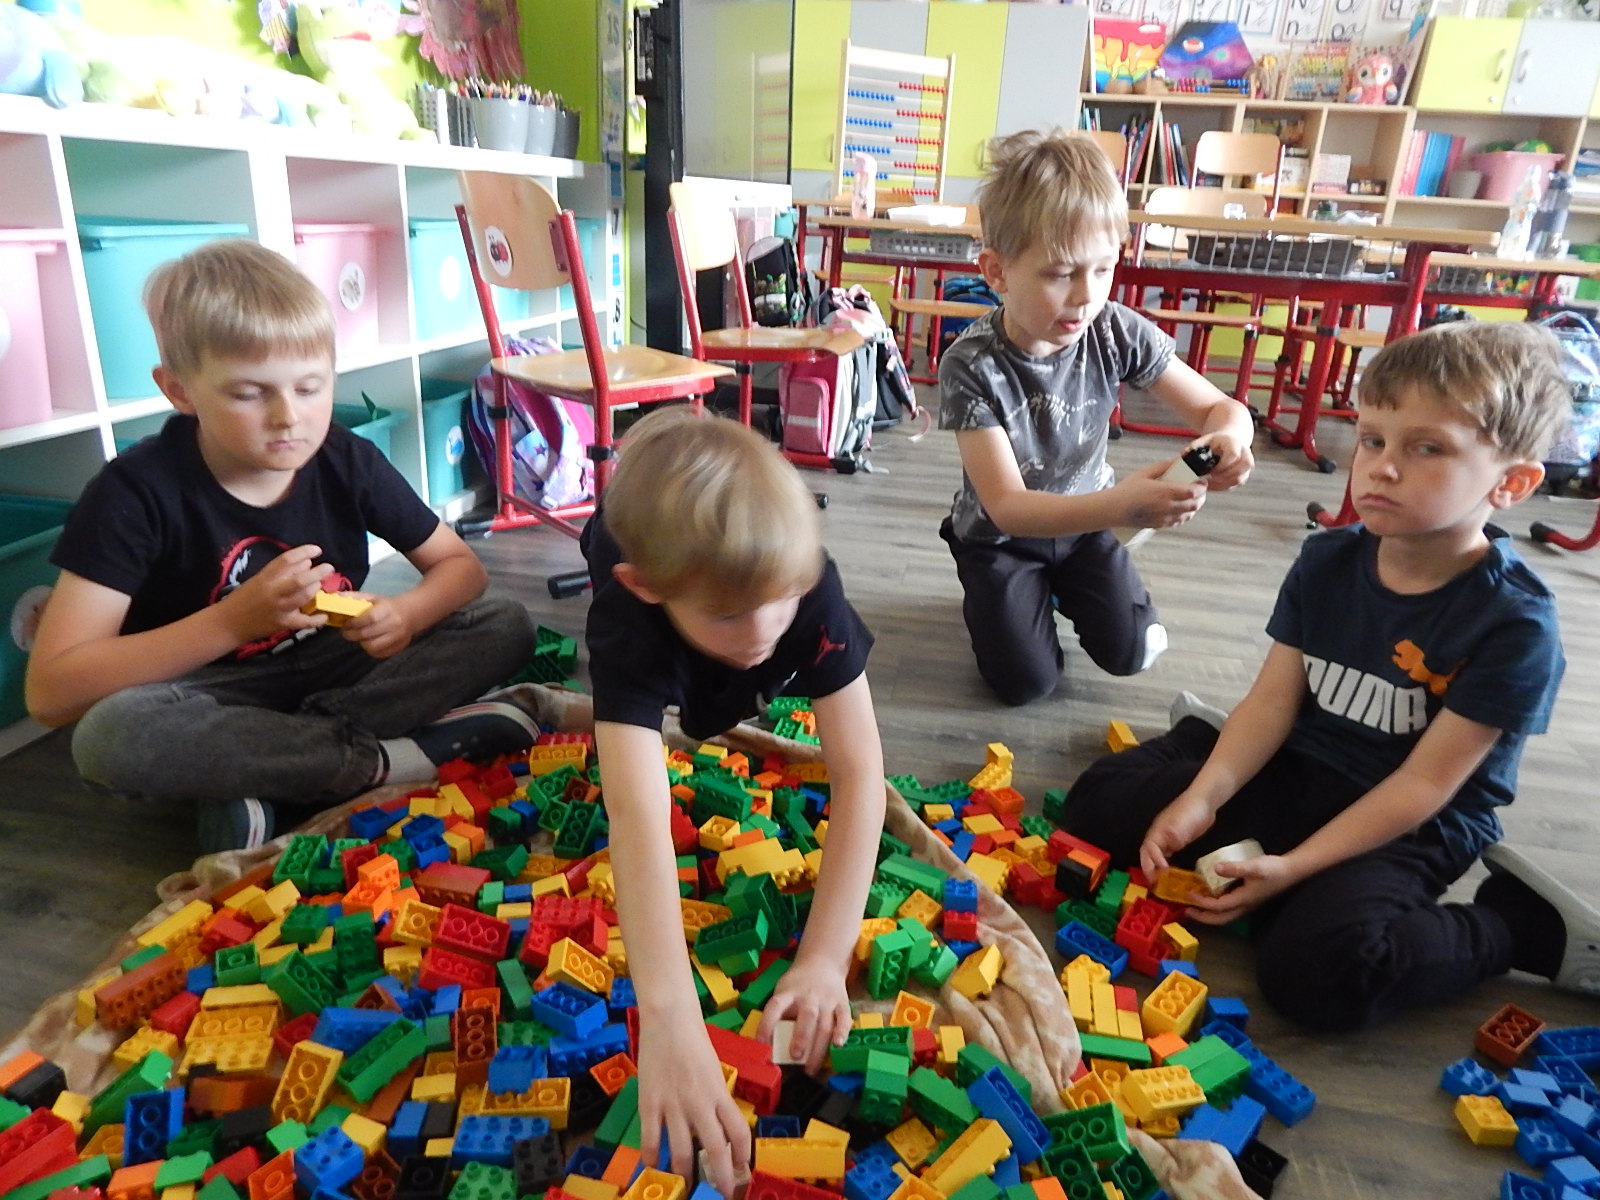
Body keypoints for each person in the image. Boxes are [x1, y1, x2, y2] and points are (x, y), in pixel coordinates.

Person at [1060, 320, 1591, 1031]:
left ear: (1512, 483)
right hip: (1303, 762)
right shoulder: (1328, 561)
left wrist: (1295, 868)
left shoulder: (1515, 623)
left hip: (1413, 816)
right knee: (1094, 808)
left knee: (1321, 973)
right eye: (1372, 440)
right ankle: (1203, 745)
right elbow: (1272, 703)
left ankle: (1517, 927)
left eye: (1426, 448)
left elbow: (1424, 785)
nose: (1382, 468)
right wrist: (1203, 797)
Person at [25, 240, 539, 853]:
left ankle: (273, 770)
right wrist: (232, 622)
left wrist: (406, 613)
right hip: (209, 689)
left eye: (310, 387)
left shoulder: (346, 458)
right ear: (180, 391)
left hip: (338, 668)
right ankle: (383, 763)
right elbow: (52, 691)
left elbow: (460, 569)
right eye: (249, 393)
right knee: (109, 735)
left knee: (503, 624)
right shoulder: (133, 493)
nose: (288, 416)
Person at [582, 406, 885, 1196]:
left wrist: (823, 960)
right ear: (647, 589)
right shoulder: (628, 613)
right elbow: (637, 815)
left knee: (734, 678)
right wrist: (671, 1019)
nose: (761, 630)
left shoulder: (808, 586)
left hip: (723, 599)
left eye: (781, 598)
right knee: (676, 697)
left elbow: (859, 775)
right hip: (633, 580)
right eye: (726, 613)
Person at [938, 128, 1255, 706]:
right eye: (1061, 274)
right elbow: (1008, 506)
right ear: (997, 272)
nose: (1087, 296)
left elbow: (1219, 407)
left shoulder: (1113, 328)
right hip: (1001, 540)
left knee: (1132, 652)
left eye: (1103, 270)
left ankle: (1057, 590)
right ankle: (1002, 590)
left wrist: (1231, 438)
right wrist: (1123, 506)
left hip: (1089, 528)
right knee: (1024, 684)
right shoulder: (971, 365)